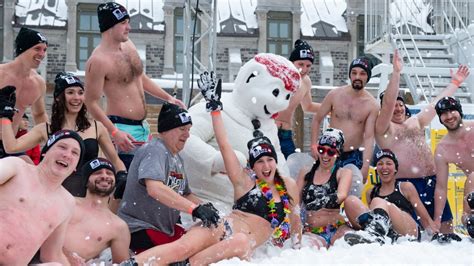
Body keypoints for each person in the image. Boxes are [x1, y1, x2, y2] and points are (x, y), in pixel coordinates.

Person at [122, 71, 302, 265]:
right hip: (222, 226)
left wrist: (298, 249)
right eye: (259, 161)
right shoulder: (245, 181)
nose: (266, 166)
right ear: (253, 165)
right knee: (182, 248)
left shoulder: (287, 185)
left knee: (234, 245)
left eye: (269, 160)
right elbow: (224, 145)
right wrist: (215, 109)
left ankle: (186, 264)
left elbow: (296, 219)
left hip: (240, 244)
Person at [375, 50, 470, 234]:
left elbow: (436, 105)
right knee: (419, 234)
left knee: (446, 232)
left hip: (433, 182)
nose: (397, 108)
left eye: (400, 104)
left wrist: (455, 83)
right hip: (408, 185)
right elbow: (387, 104)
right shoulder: (384, 129)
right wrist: (396, 74)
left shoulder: (415, 122)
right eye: (394, 105)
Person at [85, 2, 186, 169]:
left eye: (128, 22)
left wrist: (167, 98)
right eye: (123, 23)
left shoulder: (128, 45)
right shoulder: (98, 61)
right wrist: (114, 132)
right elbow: (91, 103)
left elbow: (140, 77)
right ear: (110, 27)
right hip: (121, 128)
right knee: (126, 183)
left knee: (145, 180)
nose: (128, 28)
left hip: (143, 127)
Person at [1, 72, 127, 198]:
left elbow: (115, 160)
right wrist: (5, 116)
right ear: (59, 97)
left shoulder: (96, 127)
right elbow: (11, 147)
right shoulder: (46, 129)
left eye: (80, 92)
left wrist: (122, 174)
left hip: (86, 199)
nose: (77, 97)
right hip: (53, 197)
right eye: (70, 92)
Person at [118, 102, 220, 254]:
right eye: (182, 129)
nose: (187, 135)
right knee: (184, 255)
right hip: (138, 229)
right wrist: (194, 209)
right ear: (166, 130)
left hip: (164, 229)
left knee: (204, 244)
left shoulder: (177, 158)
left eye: (188, 130)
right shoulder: (155, 150)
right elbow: (155, 189)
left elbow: (185, 194)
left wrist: (205, 206)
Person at [0, 129, 84, 265]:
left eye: (75, 153)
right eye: (62, 147)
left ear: (76, 167)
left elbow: (51, 255)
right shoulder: (17, 167)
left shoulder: (67, 202)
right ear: (45, 151)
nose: (67, 155)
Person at [310, 55, 379, 197]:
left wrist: (366, 166)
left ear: (368, 77)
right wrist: (313, 145)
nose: (357, 77)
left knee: (351, 194)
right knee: (323, 191)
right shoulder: (335, 95)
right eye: (354, 73)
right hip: (330, 151)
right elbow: (317, 120)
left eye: (362, 73)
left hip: (353, 155)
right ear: (350, 75)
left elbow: (369, 137)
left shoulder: (371, 104)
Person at [343, 149, 438, 245]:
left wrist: (436, 234)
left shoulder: (405, 187)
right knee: (350, 201)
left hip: (408, 229)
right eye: (380, 164)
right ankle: (375, 235)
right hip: (388, 230)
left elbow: (424, 217)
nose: (384, 167)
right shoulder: (370, 192)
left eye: (389, 163)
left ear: (396, 168)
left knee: (377, 201)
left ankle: (376, 233)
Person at [64, 157, 131, 264]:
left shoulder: (119, 226)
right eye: (98, 173)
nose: (105, 176)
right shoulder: (67, 203)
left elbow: (121, 264)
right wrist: (66, 255)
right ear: (86, 181)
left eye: (109, 173)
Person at [296, 128, 352, 248]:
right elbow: (295, 202)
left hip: (337, 229)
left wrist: (323, 201)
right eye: (322, 150)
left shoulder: (343, 173)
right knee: (305, 249)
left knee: (349, 246)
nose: (325, 155)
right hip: (313, 231)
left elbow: (342, 195)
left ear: (337, 153)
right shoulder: (306, 172)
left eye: (331, 152)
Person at [0, 27, 48, 158]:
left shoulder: (38, 83)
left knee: (31, 174)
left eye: (44, 50)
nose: (42, 54)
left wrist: (53, 140)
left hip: (10, 145)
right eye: (37, 49)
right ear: (23, 49)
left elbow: (40, 114)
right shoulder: (1, 75)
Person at [434, 96, 474, 238]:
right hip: (472, 191)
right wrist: (437, 221)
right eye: (444, 113)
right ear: (440, 118)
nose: (449, 116)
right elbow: (441, 187)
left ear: (459, 111)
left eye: (452, 111)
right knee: (466, 218)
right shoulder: (442, 148)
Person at [276, 39, 320, 158]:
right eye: (300, 64)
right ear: (292, 62)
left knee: (291, 168)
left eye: (308, 65)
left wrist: (332, 108)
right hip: (268, 128)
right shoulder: (278, 76)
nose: (304, 69)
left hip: (286, 133)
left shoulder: (305, 82)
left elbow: (308, 106)